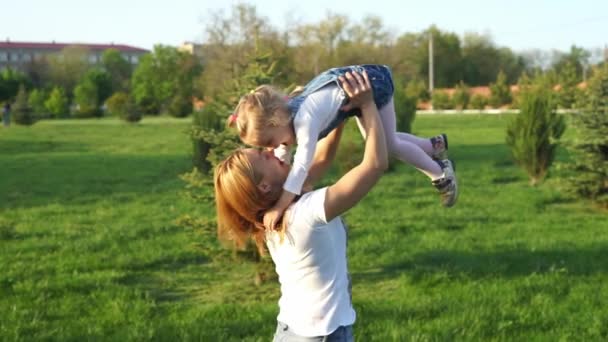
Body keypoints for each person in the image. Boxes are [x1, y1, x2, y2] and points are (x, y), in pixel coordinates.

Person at [214, 71, 387, 341]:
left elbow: (323, 157)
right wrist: (366, 105)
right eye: (264, 154)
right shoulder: (303, 214)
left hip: (292, 330)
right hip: (321, 336)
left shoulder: (276, 212)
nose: (273, 150)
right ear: (264, 186)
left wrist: (336, 111)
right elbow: (374, 165)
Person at [228, 65, 458, 231]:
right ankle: (432, 146)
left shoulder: (303, 121)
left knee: (387, 144)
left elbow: (300, 167)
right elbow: (284, 157)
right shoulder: (284, 125)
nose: (274, 150)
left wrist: (279, 205)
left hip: (370, 84)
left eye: (268, 144)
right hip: (354, 87)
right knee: (388, 140)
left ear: (276, 120)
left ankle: (440, 173)